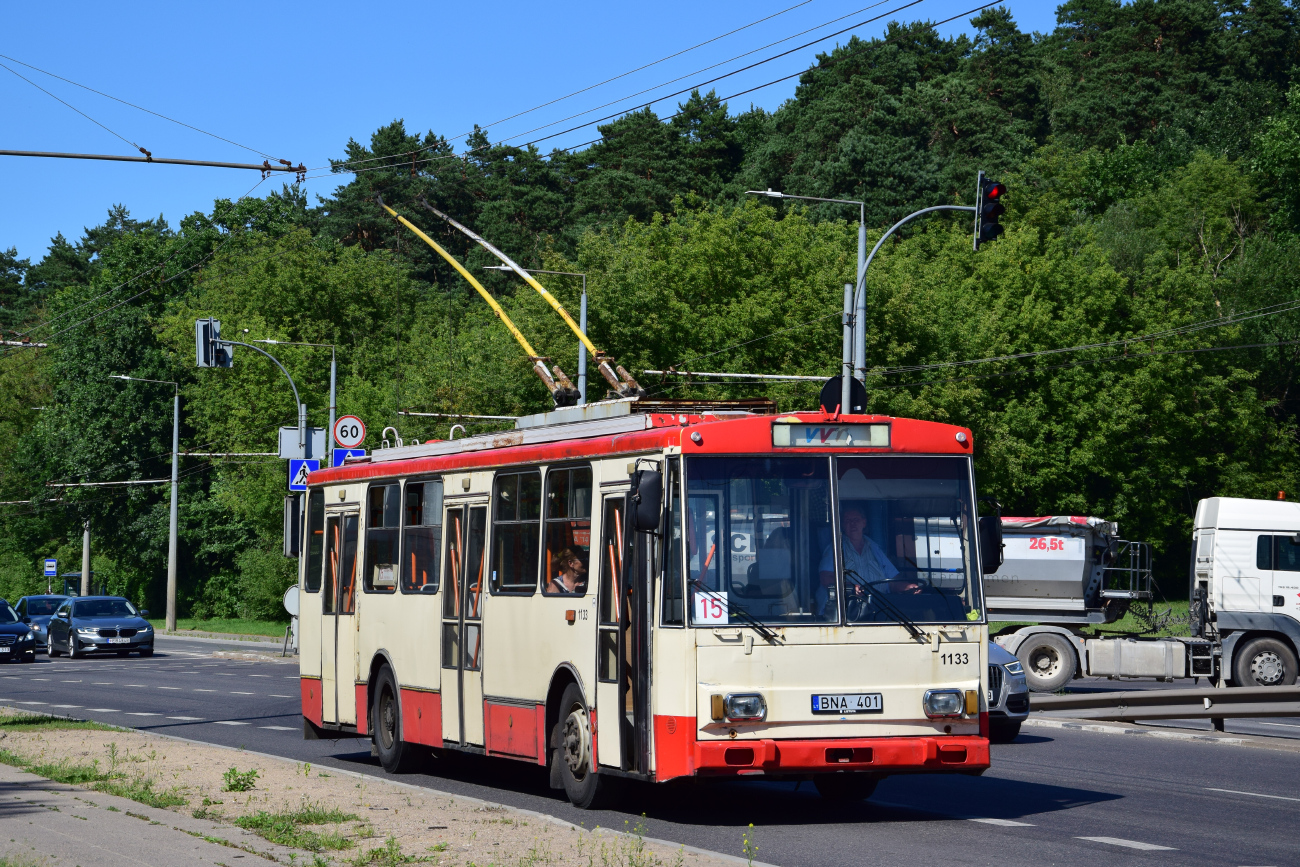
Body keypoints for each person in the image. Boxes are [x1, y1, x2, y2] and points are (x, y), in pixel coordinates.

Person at [816, 505, 918, 616]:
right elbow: (825, 578)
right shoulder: (835, 548)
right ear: (843, 525)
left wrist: (908, 587)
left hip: (880, 610)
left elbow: (892, 581)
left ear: (864, 522)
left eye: (856, 520)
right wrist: (849, 587)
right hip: (847, 614)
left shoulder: (875, 548)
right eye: (848, 520)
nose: (852, 524)